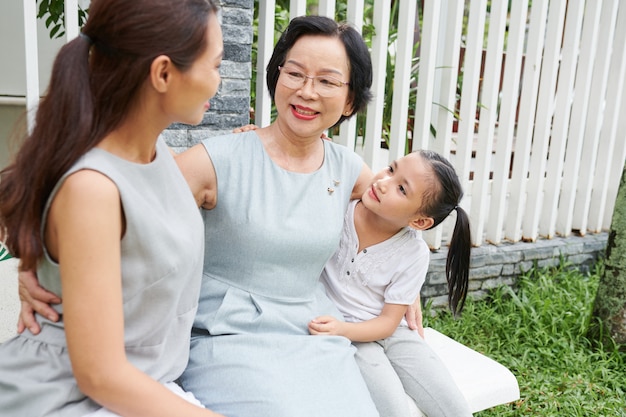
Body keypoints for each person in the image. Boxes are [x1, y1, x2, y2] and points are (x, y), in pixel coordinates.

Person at [17, 15, 380, 417]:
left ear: (350, 100)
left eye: (327, 81)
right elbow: (74, 197)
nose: (307, 91)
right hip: (225, 338)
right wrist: (36, 260)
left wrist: (402, 283)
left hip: (311, 333)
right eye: (294, 73)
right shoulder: (217, 159)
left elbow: (402, 207)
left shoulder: (345, 167)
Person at [0, 0, 225, 416]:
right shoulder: (94, 188)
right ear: (162, 73)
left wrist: (39, 261)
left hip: (140, 385)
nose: (219, 82)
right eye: (214, 65)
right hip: (66, 397)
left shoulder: (154, 152)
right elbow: (100, 375)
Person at [308, 150, 474, 417]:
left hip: (392, 332)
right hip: (350, 333)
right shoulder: (339, 209)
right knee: (394, 410)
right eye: (390, 168)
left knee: (453, 408)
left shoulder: (413, 253)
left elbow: (387, 323)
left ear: (419, 221)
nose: (382, 182)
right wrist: (341, 330)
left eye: (400, 188)